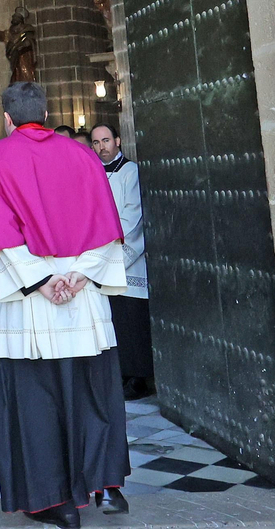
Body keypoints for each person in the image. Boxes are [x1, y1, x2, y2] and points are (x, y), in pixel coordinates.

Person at [0, 82, 131, 529]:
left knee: (37, 404)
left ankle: (53, 501)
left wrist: (40, 280)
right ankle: (99, 483)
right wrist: (79, 274)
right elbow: (106, 221)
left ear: (6, 119)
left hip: (31, 306)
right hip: (83, 299)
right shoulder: (82, 156)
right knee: (89, 395)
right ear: (45, 111)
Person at [90, 121, 153, 399]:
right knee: (113, 320)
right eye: (96, 142)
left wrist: (113, 251)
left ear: (117, 140)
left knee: (131, 320)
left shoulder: (131, 172)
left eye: (105, 140)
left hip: (126, 257)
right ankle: (119, 374)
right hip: (101, 256)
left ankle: (138, 378)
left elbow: (132, 215)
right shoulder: (92, 173)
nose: (101, 147)